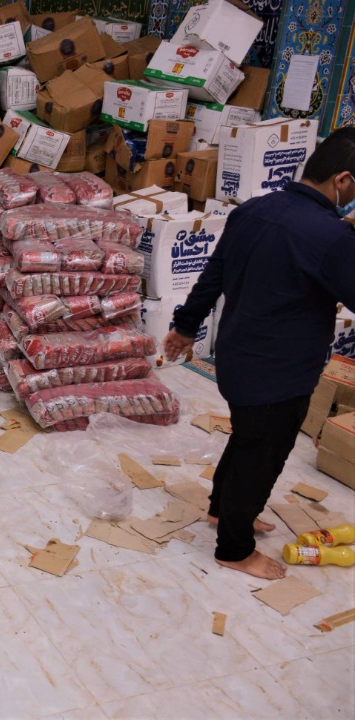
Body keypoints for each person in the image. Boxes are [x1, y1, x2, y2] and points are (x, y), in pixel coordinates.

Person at [163, 127, 355, 580]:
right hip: (280, 372)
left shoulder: (254, 209)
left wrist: (185, 327)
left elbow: (214, 273)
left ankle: (220, 510)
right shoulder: (331, 238)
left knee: (248, 439)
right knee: (263, 454)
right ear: (343, 180)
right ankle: (234, 547)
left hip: (237, 358)